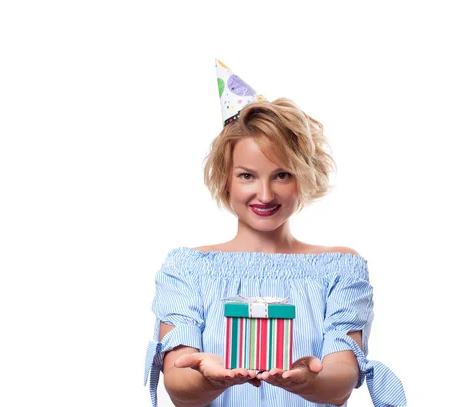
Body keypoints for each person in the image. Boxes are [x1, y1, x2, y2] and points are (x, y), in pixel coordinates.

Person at [143, 60, 407, 407]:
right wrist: (210, 379)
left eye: (282, 175)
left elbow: (341, 377)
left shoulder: (339, 268)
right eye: (247, 176)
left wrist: (308, 382)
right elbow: (179, 384)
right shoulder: (187, 270)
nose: (265, 195)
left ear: (304, 176)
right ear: (226, 178)